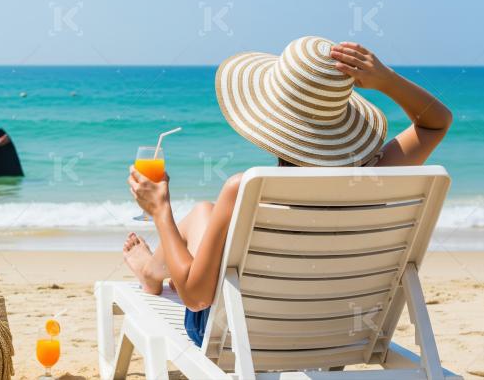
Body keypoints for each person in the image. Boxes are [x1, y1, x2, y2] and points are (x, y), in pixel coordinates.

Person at [123, 36, 452, 347]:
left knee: (203, 214)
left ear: (268, 117)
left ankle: (152, 271)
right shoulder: (373, 176)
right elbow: (434, 122)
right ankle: (153, 270)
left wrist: (160, 212)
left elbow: (196, 299)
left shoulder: (244, 190)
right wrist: (386, 80)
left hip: (235, 336)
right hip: (338, 335)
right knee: (208, 215)